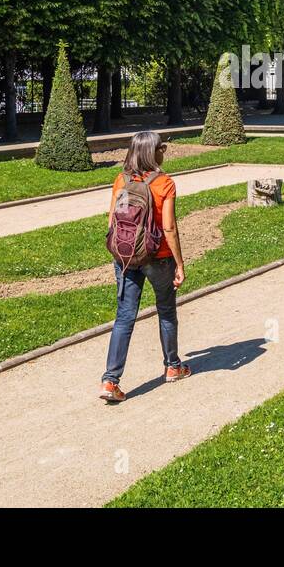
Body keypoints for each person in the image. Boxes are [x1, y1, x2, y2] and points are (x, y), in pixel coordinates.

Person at [99, 131, 189, 403]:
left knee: (124, 316)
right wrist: (180, 263)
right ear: (154, 152)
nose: (164, 151)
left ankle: (110, 381)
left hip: (125, 257)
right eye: (161, 147)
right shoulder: (164, 184)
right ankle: (172, 365)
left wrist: (122, 251)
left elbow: (112, 221)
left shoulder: (121, 180)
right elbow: (169, 228)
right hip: (157, 256)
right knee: (166, 311)